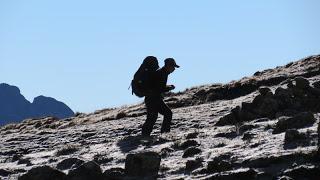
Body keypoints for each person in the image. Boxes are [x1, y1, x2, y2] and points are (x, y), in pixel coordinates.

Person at [141, 58, 180, 137]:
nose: (174, 69)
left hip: (154, 98)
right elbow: (159, 88)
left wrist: (168, 87)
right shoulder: (161, 73)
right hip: (152, 99)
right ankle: (145, 136)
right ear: (168, 66)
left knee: (164, 114)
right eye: (173, 67)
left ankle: (164, 134)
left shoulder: (162, 72)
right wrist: (169, 88)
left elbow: (158, 86)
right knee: (153, 117)